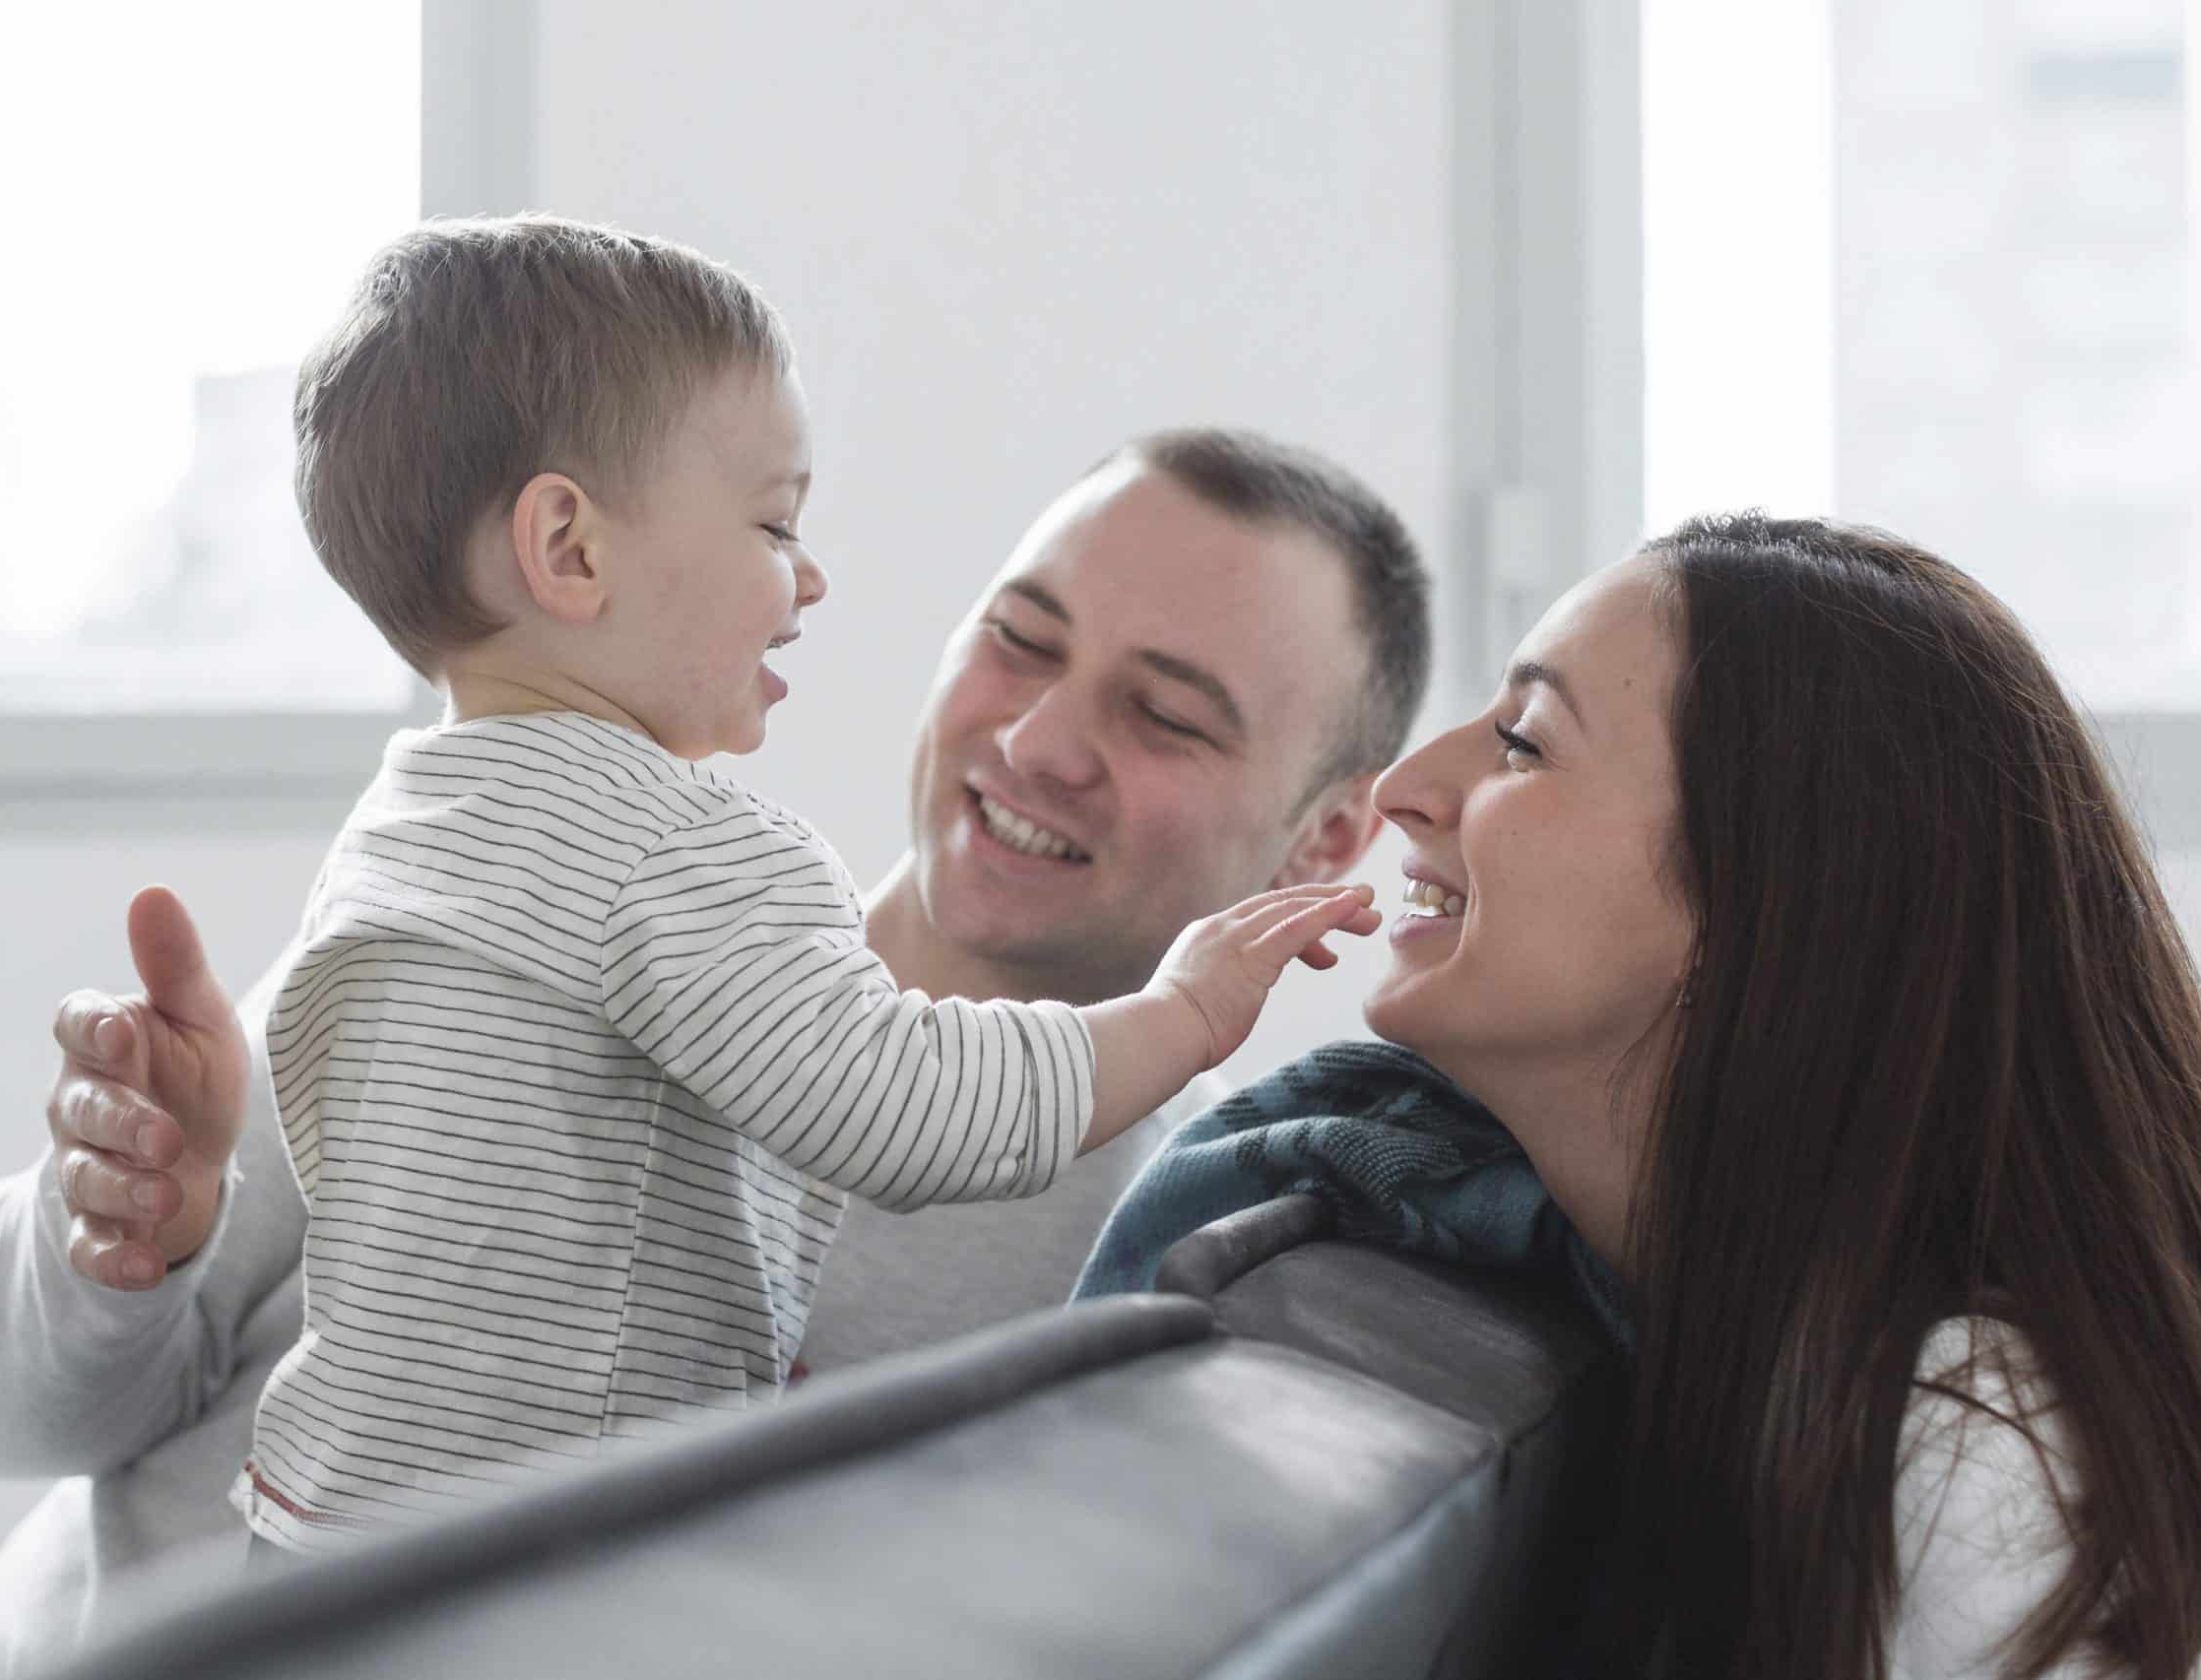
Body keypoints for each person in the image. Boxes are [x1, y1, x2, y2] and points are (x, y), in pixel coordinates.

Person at [0, 393, 1428, 1660]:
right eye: (1021, 634)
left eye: (1164, 715)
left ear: (1326, 842)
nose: (1039, 734)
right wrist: (112, 1242)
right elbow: (5, 1420)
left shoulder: (1141, 1289)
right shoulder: (544, 889)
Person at [225, 216, 1379, 1553]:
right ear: (571, 549)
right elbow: (898, 1105)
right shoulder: (681, 846)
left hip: (315, 1536)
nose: (811, 577)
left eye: (1166, 714)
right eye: (776, 523)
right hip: (548, 1572)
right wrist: (1181, 1018)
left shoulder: (406, 826)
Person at [1335, 512, 2201, 1676]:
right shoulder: (1806, 1368)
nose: (1402, 786)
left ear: (1761, 908)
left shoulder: (1988, 1468)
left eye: (1522, 740)